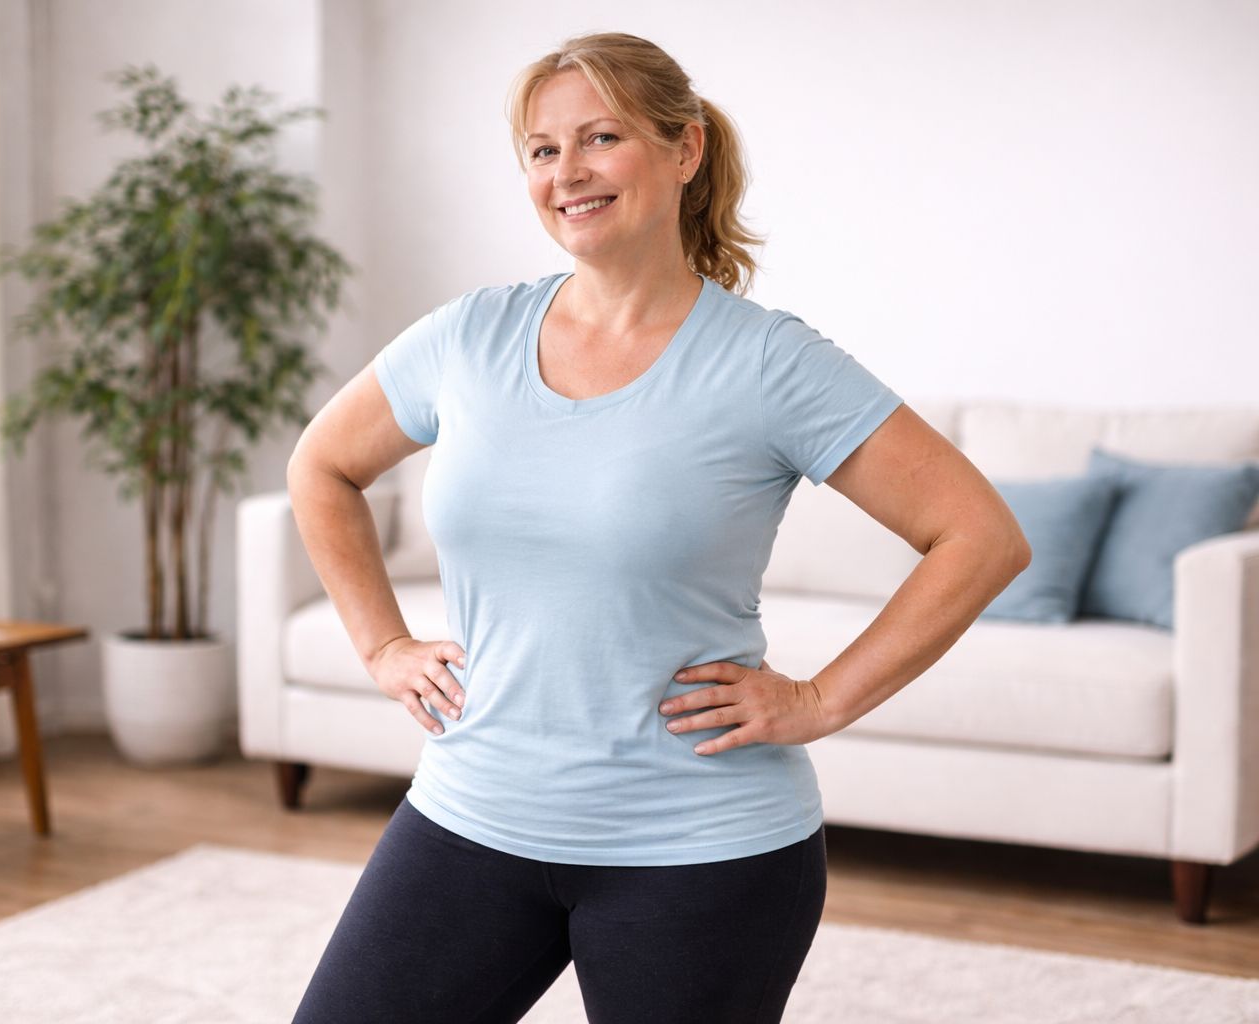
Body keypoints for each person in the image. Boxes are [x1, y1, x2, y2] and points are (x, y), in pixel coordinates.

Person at [286, 30, 1029, 1024]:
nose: (568, 173)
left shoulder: (770, 364)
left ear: (685, 151)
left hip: (704, 849)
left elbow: (979, 534)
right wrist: (381, 643)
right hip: (473, 815)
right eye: (543, 150)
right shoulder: (470, 337)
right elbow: (321, 465)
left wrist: (818, 699)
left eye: (600, 137)